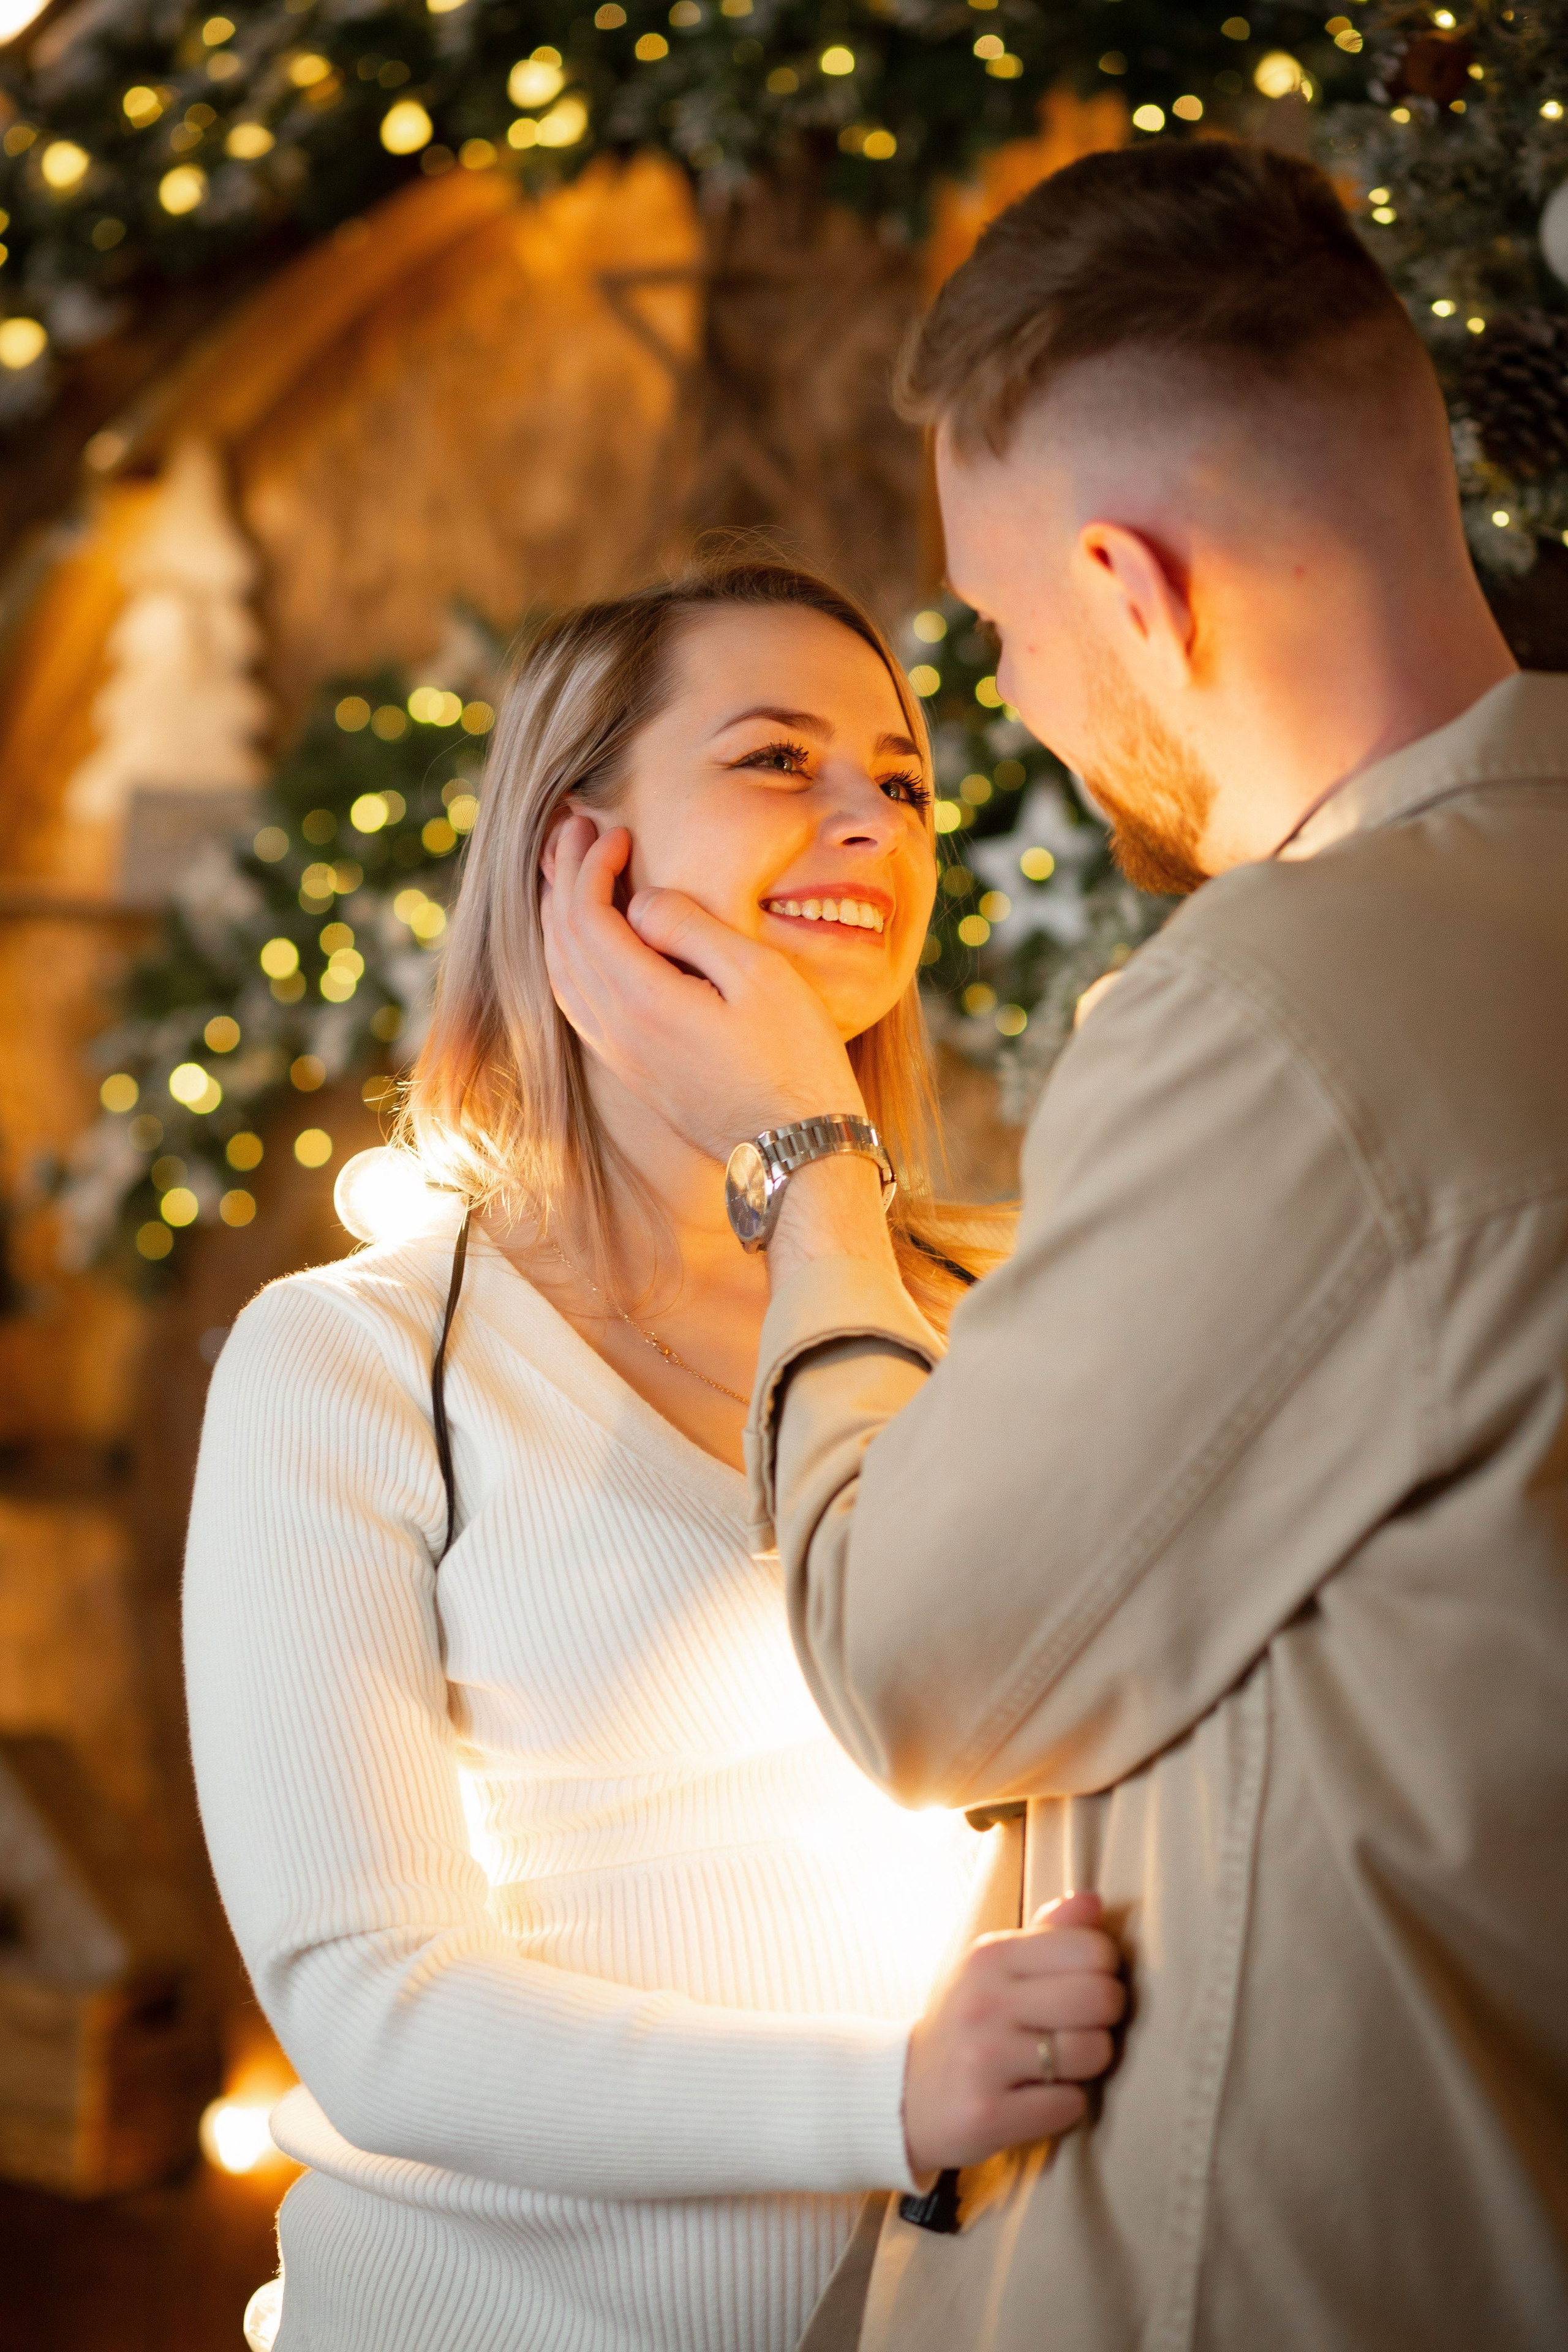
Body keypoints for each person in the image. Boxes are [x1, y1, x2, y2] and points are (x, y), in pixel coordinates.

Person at [541, 145, 1568, 2349]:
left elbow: (917, 1667)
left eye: (988, 641)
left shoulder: (1287, 1011)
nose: (978, 724)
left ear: (1133, 589)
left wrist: (803, 1155)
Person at [183, 559, 1128, 2352]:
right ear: (580, 859)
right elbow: (371, 2008)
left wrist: (812, 1163)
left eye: (906, 781)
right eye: (779, 760)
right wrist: (890, 2095)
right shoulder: (355, 1362)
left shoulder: (1010, 1308)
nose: (873, 820)